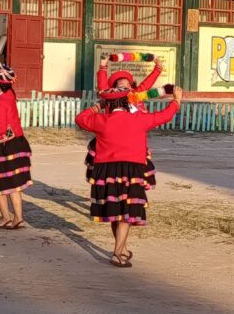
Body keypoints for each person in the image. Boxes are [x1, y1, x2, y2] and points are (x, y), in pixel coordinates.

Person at [75, 85, 183, 268]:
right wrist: (176, 101)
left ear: (108, 104)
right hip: (131, 171)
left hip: (106, 171)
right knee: (126, 213)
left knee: (115, 211)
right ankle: (117, 253)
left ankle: (122, 249)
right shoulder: (139, 119)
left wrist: (98, 105)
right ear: (126, 102)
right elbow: (164, 116)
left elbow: (80, 118)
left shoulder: (101, 120)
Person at [85, 57, 164, 186]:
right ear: (114, 87)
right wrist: (103, 66)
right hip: (112, 138)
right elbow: (102, 86)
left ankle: (132, 189)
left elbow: (147, 83)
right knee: (109, 171)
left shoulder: (137, 94)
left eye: (126, 82)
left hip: (132, 139)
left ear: (131, 85)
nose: (123, 84)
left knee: (133, 170)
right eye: (119, 83)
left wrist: (158, 68)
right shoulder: (110, 96)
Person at [0, 64, 33, 229]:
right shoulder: (10, 94)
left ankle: (5, 218)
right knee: (14, 185)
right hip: (17, 143)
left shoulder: (0, 101)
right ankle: (18, 218)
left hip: (1, 147)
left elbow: (1, 128)